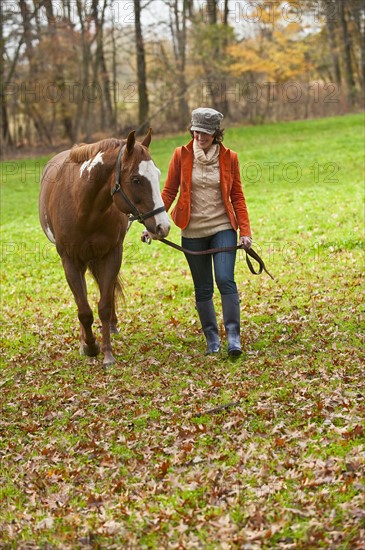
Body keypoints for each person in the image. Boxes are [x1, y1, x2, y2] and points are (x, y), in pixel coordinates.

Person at [158, 108, 252, 356]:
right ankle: (212, 338)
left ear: (216, 134)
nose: (200, 137)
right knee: (203, 288)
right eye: (197, 131)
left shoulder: (229, 158)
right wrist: (154, 225)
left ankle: (233, 336)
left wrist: (245, 231)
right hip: (192, 230)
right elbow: (169, 192)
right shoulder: (181, 155)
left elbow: (237, 196)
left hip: (222, 227)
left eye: (206, 133)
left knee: (225, 279)